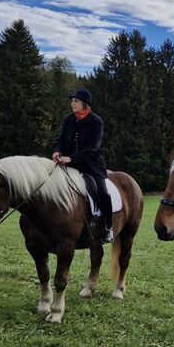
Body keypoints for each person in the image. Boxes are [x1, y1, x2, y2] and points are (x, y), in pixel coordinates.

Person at [52, 88, 114, 244]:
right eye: (72, 100)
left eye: (76, 101)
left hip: (91, 165)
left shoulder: (96, 121)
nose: (72, 103)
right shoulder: (68, 119)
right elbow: (60, 140)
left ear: (84, 104)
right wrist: (57, 152)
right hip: (67, 162)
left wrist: (71, 158)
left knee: (102, 192)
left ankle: (108, 228)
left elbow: (93, 148)